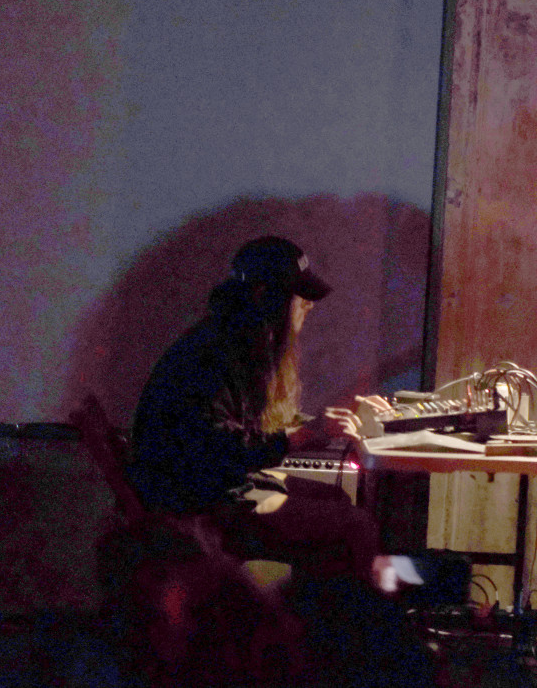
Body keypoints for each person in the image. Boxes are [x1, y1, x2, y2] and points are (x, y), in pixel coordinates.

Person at [127, 235, 379, 582]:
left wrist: (314, 426)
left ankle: (307, 622)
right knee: (356, 527)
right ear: (264, 296)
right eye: (299, 297)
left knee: (333, 497)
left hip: (211, 491)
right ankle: (329, 630)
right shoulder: (210, 356)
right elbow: (219, 449)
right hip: (197, 508)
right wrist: (303, 436)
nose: (309, 305)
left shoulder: (226, 340)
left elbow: (234, 432)